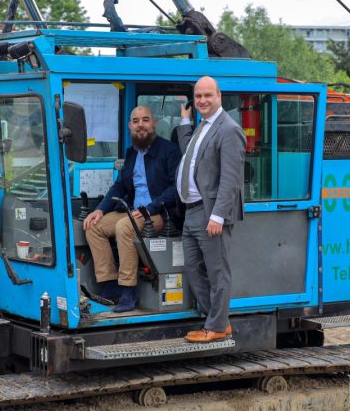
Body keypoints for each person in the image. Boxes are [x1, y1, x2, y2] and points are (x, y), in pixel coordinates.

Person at [83, 106, 181, 312]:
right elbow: (119, 186)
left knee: (124, 227)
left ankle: (128, 291)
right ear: (130, 126)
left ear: (154, 123)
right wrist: (100, 209)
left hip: (159, 214)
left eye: (145, 120)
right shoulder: (131, 153)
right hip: (132, 210)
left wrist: (152, 207)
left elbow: (177, 187)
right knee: (94, 226)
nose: (141, 125)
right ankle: (110, 286)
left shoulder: (168, 150)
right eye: (136, 121)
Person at [176, 76, 246, 343]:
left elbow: (231, 178)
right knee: (193, 268)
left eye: (208, 95)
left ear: (219, 97)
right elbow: (191, 156)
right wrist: (184, 122)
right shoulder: (203, 126)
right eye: (198, 97)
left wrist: (217, 215)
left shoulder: (228, 129)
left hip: (209, 213)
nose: (202, 101)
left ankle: (216, 327)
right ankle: (217, 321)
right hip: (191, 211)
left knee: (218, 272)